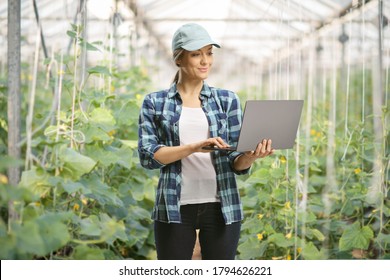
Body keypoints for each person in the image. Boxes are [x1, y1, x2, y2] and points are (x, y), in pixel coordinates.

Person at [138, 23, 274, 260]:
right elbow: (148, 156)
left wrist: (250, 156)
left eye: (209, 52)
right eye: (196, 54)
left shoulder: (227, 100)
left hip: (222, 205)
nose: (205, 61)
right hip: (173, 205)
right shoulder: (155, 102)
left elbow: (235, 162)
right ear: (178, 59)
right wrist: (193, 147)